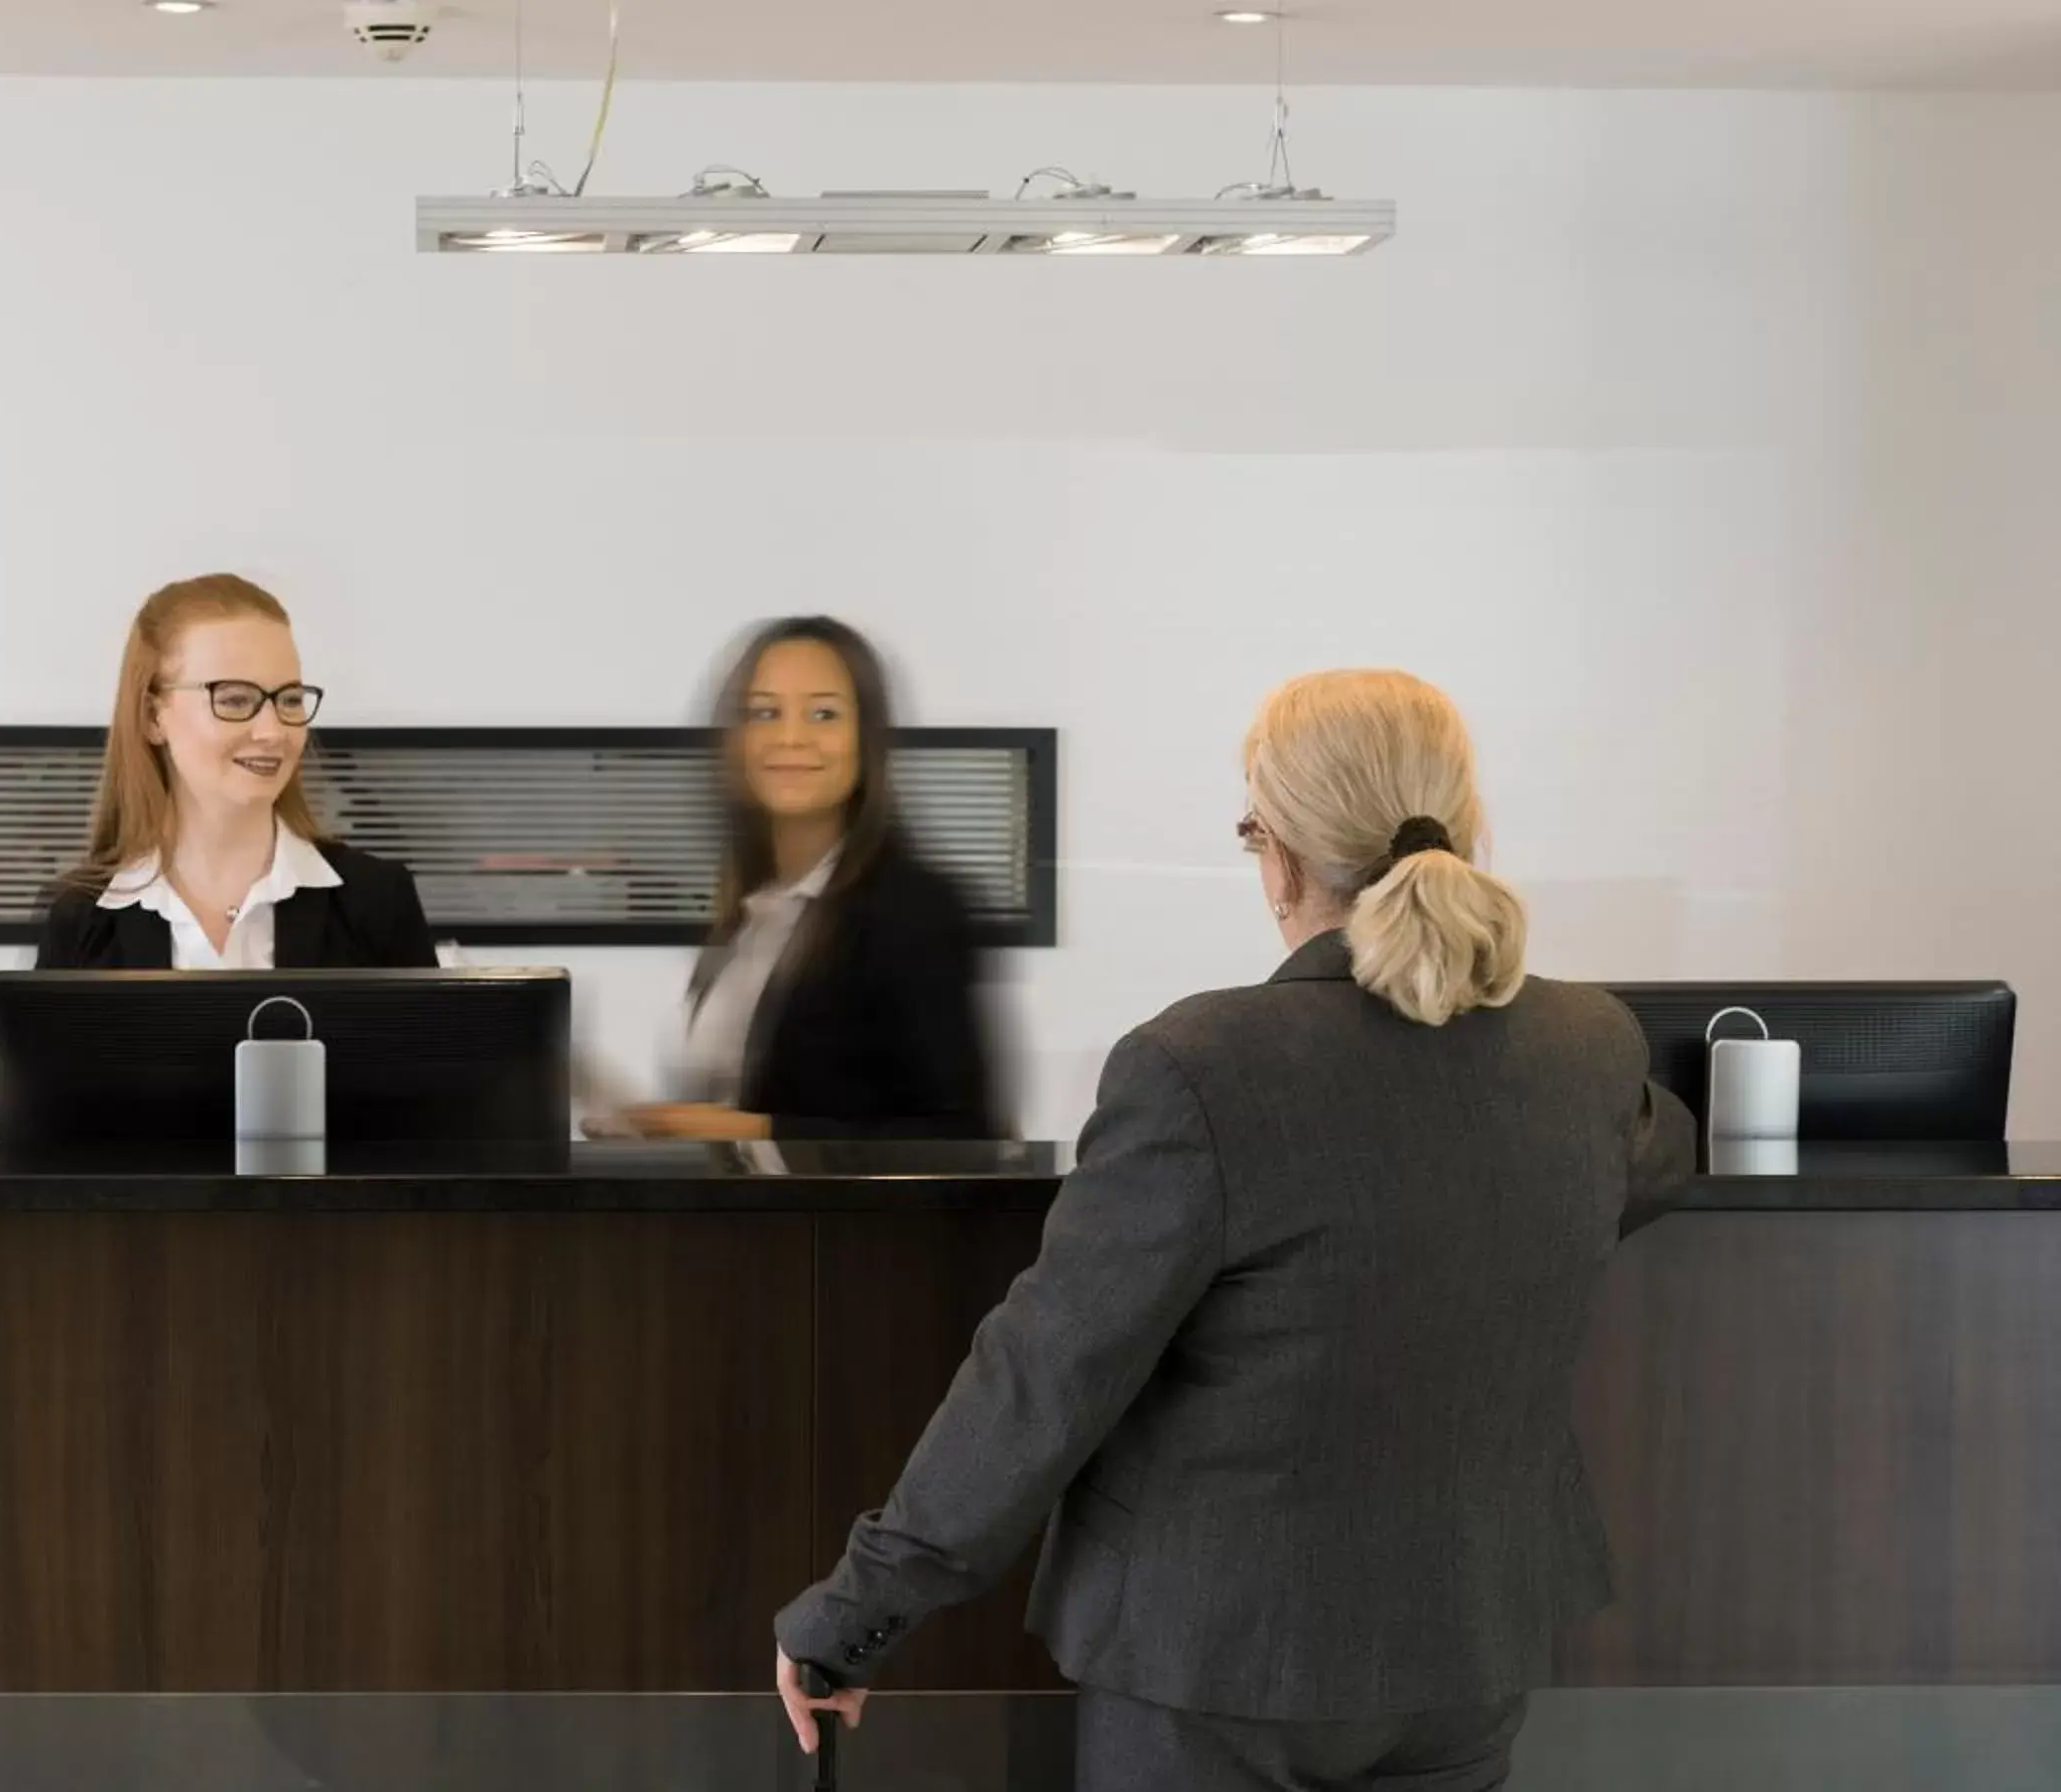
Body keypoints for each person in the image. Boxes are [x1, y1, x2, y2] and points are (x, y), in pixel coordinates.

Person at [772, 669, 1695, 1791]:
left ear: (1285, 855)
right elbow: (1655, 1157)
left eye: (1253, 827)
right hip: (1463, 1650)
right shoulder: (1589, 1046)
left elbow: (1043, 1379)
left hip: (1215, 1666)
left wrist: (854, 1612)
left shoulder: (1199, 1069)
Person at [618, 615, 1001, 1143]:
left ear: (865, 740)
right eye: (765, 713)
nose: (790, 737)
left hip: (852, 1228)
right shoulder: (756, 910)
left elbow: (965, 1137)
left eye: (824, 713)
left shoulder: (915, 907)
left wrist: (745, 1130)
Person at [35, 575, 433, 970]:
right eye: (235, 699)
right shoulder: (80, 919)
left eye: (289, 699)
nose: (273, 731)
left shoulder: (379, 903)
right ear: (152, 717)